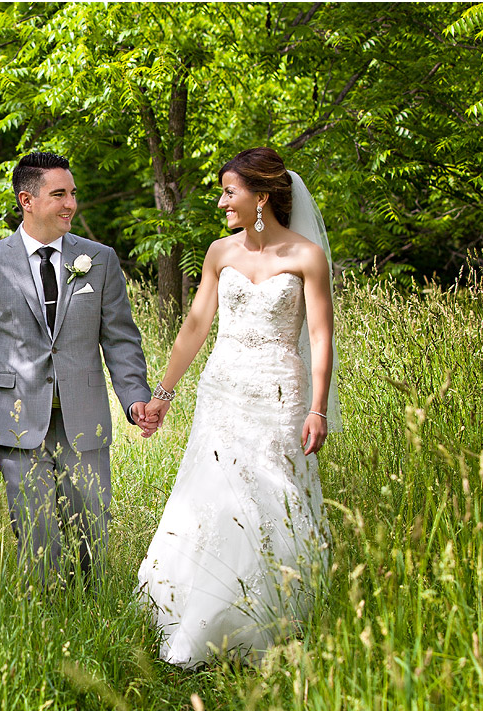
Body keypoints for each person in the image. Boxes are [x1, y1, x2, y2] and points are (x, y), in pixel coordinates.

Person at [136, 147, 339, 667]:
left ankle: (270, 622)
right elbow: (196, 325)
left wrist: (316, 409)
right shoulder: (219, 253)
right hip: (221, 391)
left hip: (278, 394)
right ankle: (199, 620)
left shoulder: (305, 257)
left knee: (271, 499)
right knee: (212, 493)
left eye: (230, 192)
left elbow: (320, 337)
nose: (222, 202)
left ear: (262, 197)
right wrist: (162, 395)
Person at [0, 151, 157, 590]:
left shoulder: (98, 259)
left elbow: (120, 337)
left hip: (83, 414)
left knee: (91, 531)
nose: (70, 204)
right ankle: (48, 617)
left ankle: (94, 610)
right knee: (35, 532)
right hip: (16, 418)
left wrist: (135, 396)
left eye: (73, 194)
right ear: (27, 199)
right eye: (59, 194)